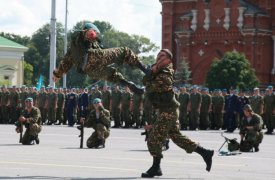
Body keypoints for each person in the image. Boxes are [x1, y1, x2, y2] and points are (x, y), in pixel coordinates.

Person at [141, 49, 214, 178]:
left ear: (169, 60)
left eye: (162, 56)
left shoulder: (166, 73)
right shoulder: (158, 70)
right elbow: (145, 81)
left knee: (153, 138)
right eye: (158, 55)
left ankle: (156, 167)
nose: (159, 58)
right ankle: (205, 153)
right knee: (176, 137)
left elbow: (149, 86)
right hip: (168, 109)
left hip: (168, 110)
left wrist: (151, 74)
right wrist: (151, 73)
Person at [52, 22, 148, 95]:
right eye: (94, 33)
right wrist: (87, 32)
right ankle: (146, 69)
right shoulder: (80, 38)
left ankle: (128, 84)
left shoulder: (71, 51)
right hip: (94, 57)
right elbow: (80, 35)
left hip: (90, 71)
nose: (95, 35)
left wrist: (57, 74)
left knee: (112, 75)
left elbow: (65, 62)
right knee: (125, 51)